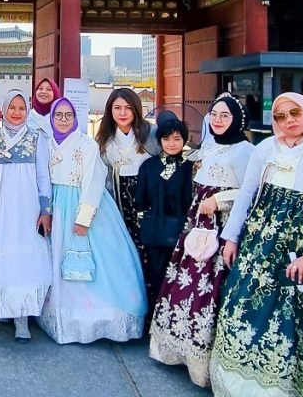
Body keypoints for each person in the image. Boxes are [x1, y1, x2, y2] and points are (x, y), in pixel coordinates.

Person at [211, 92, 303, 397]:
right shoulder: (265, 150)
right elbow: (247, 194)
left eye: (295, 113)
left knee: (295, 312)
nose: (288, 122)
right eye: (280, 116)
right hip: (258, 243)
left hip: (298, 246)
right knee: (243, 304)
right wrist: (232, 237)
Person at [148, 94, 255, 387]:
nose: (218, 120)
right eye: (214, 114)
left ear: (237, 120)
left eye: (225, 115)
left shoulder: (246, 151)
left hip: (223, 227)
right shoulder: (206, 147)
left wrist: (219, 200)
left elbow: (251, 192)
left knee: (214, 288)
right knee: (185, 284)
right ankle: (178, 351)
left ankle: (208, 363)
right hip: (196, 225)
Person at [37, 97, 147, 344]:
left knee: (91, 260)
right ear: (51, 118)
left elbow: (94, 181)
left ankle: (95, 318)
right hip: (56, 203)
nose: (63, 120)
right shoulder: (46, 143)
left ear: (76, 118)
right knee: (59, 258)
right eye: (58, 115)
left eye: (68, 115)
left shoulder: (86, 144)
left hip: (80, 203)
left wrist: (84, 217)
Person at [0, 89, 53, 342]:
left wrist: (45, 210)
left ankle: (23, 315)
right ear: (3, 110)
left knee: (27, 259)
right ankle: (5, 306)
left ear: (27, 111)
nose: (16, 113)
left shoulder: (37, 138)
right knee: (4, 257)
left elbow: (43, 176)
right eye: (11, 108)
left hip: (28, 207)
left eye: (21, 108)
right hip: (4, 207)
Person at [95, 88, 161, 298]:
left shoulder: (151, 133)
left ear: (136, 110)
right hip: (119, 200)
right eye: (117, 108)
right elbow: (103, 176)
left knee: (150, 252)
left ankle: (152, 303)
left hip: (148, 199)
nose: (123, 113)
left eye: (128, 108)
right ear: (110, 111)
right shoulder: (105, 139)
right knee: (125, 252)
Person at [131, 112, 192, 303]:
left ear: (184, 140)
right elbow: (140, 198)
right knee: (156, 273)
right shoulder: (149, 166)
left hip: (182, 228)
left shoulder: (191, 166)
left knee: (181, 274)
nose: (172, 144)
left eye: (177, 138)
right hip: (154, 228)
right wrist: (143, 221)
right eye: (166, 139)